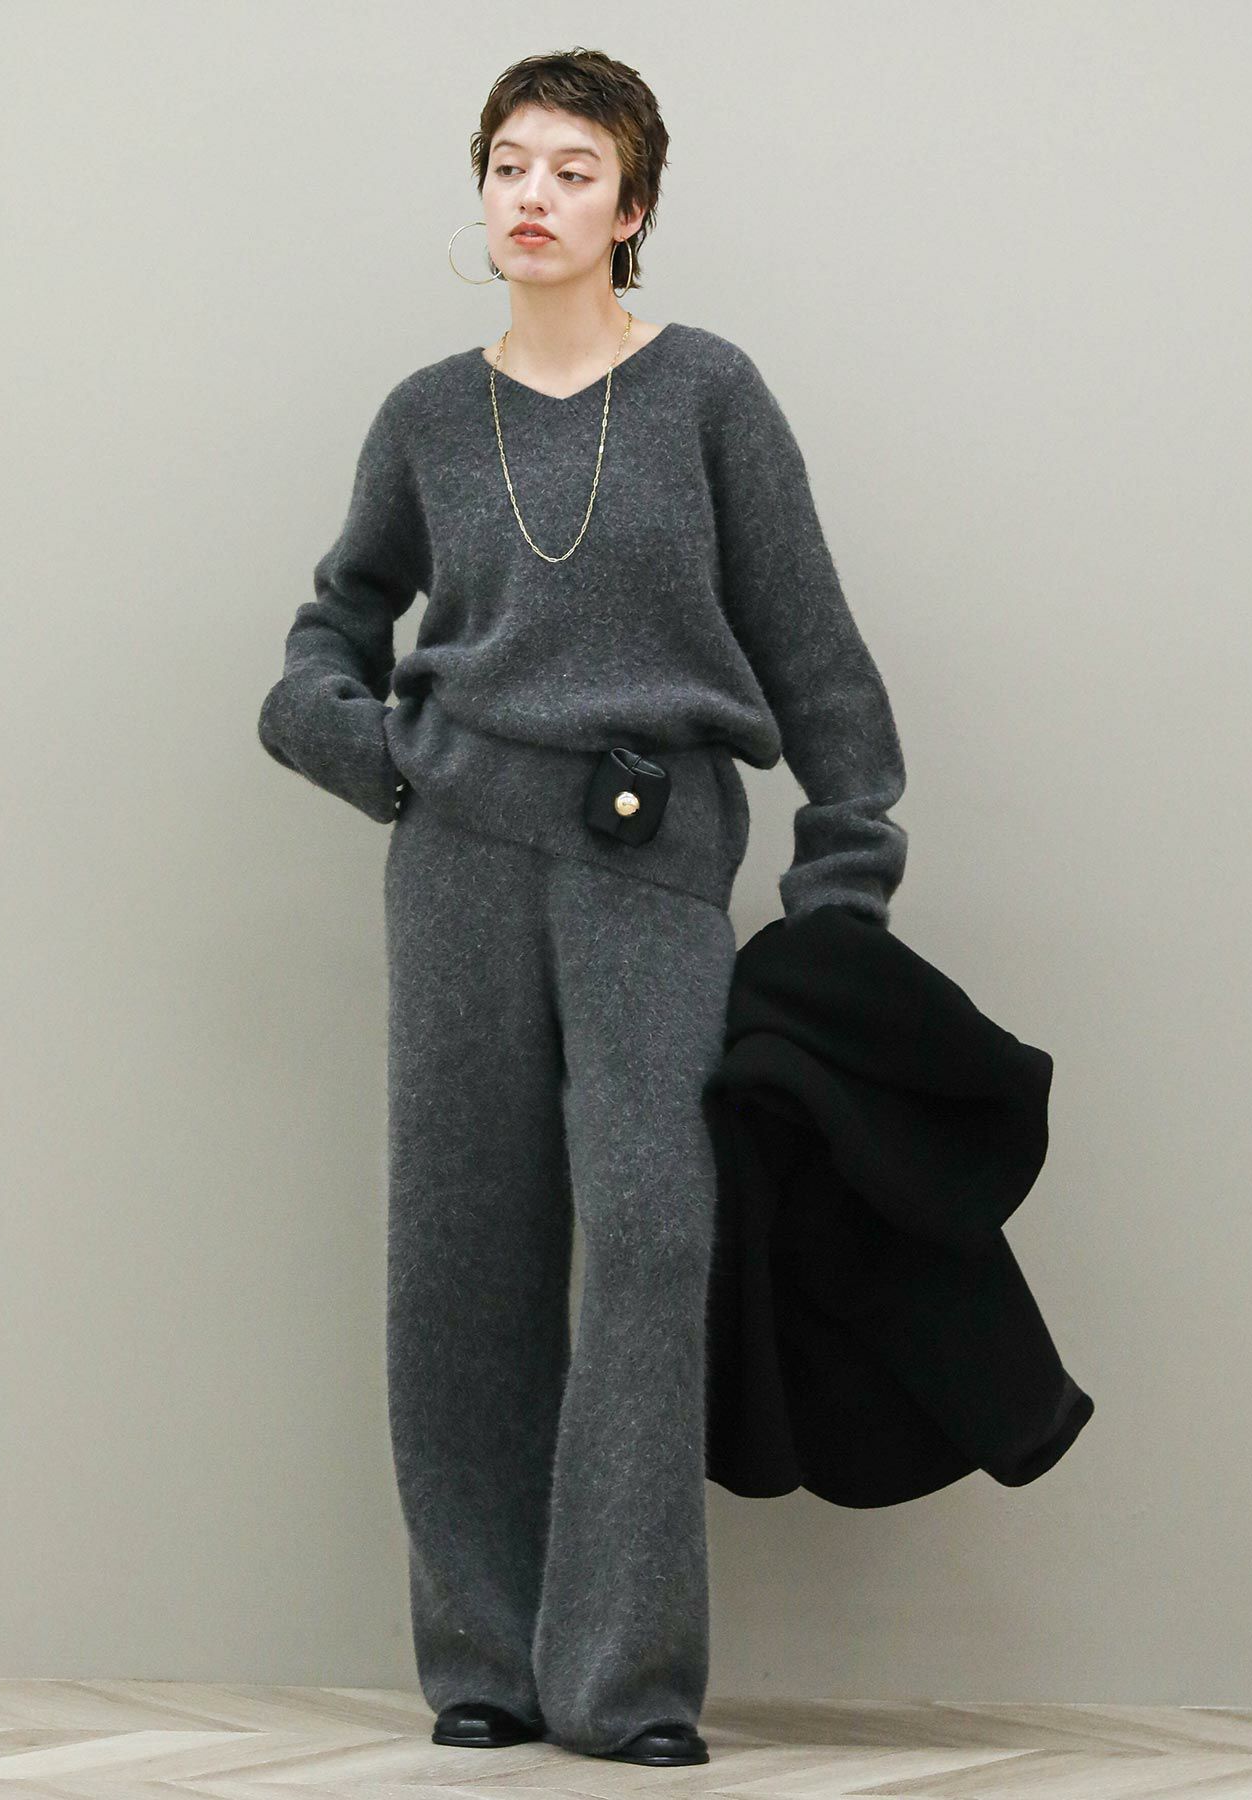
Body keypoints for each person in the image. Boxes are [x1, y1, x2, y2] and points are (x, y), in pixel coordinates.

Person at [257, 47, 909, 1769]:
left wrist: (843, 878)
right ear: (481, 195)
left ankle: (623, 1681)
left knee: (649, 1234)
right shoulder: (424, 415)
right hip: (459, 859)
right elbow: (335, 625)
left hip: (651, 860)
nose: (532, 195)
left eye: (572, 169)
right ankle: (484, 1658)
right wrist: (360, 744)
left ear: (633, 208)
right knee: (462, 1253)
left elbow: (816, 652)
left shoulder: (708, 393)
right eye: (508, 165)